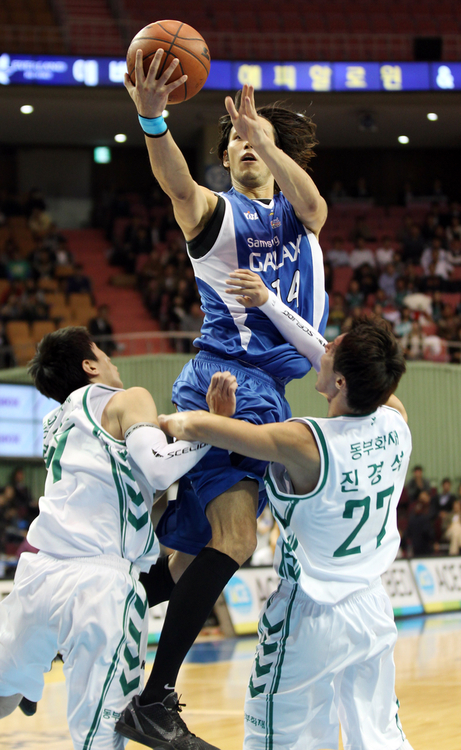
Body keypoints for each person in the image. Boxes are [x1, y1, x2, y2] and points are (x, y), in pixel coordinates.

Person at [118, 50, 329, 743]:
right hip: (226, 383)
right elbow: (178, 185)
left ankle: (76, 620)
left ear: (272, 152)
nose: (243, 146)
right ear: (227, 159)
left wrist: (265, 133)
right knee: (234, 539)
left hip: (268, 390)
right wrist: (153, 119)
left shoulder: (299, 219)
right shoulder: (217, 214)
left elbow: (314, 205)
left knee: (179, 565)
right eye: (234, 140)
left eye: (253, 139)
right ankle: (154, 698)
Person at [158, 314, 414, 750]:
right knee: (379, 737)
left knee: (276, 740)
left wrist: (169, 423)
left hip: (311, 613)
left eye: (332, 349)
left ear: (341, 384)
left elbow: (203, 428)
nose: (324, 347)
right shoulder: (396, 418)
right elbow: (332, 365)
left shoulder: (306, 442)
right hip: (372, 609)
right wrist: (268, 302)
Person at [0, 326, 231, 750]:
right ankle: (29, 684)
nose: (112, 360)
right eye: (103, 352)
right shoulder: (126, 397)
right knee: (100, 739)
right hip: (99, 583)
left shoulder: (56, 421)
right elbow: (159, 468)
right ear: (90, 365)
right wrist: (210, 427)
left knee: (3, 688)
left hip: (38, 573)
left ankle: (26, 684)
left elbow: (130, 482)